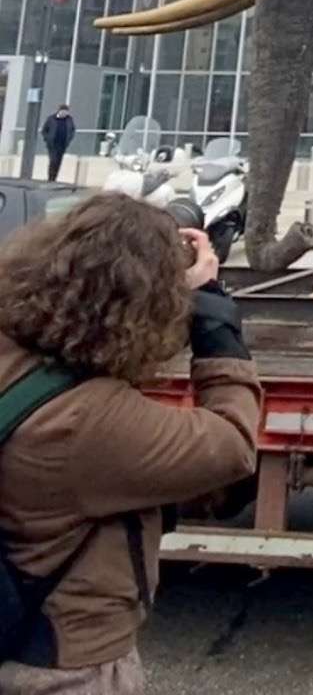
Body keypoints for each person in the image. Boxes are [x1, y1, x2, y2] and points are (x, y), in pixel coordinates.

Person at [0, 193, 259, 693]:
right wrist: (214, 318)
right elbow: (233, 445)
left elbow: (75, 342)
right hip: (66, 666)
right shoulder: (89, 423)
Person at [40, 106, 75, 185]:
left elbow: (72, 130)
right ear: (59, 111)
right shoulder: (51, 119)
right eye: (63, 111)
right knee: (53, 160)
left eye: (66, 112)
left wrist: (69, 139)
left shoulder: (69, 120)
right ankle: (50, 178)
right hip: (52, 144)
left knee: (58, 162)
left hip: (62, 144)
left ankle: (54, 178)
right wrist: (47, 138)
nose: (64, 113)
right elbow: (44, 130)